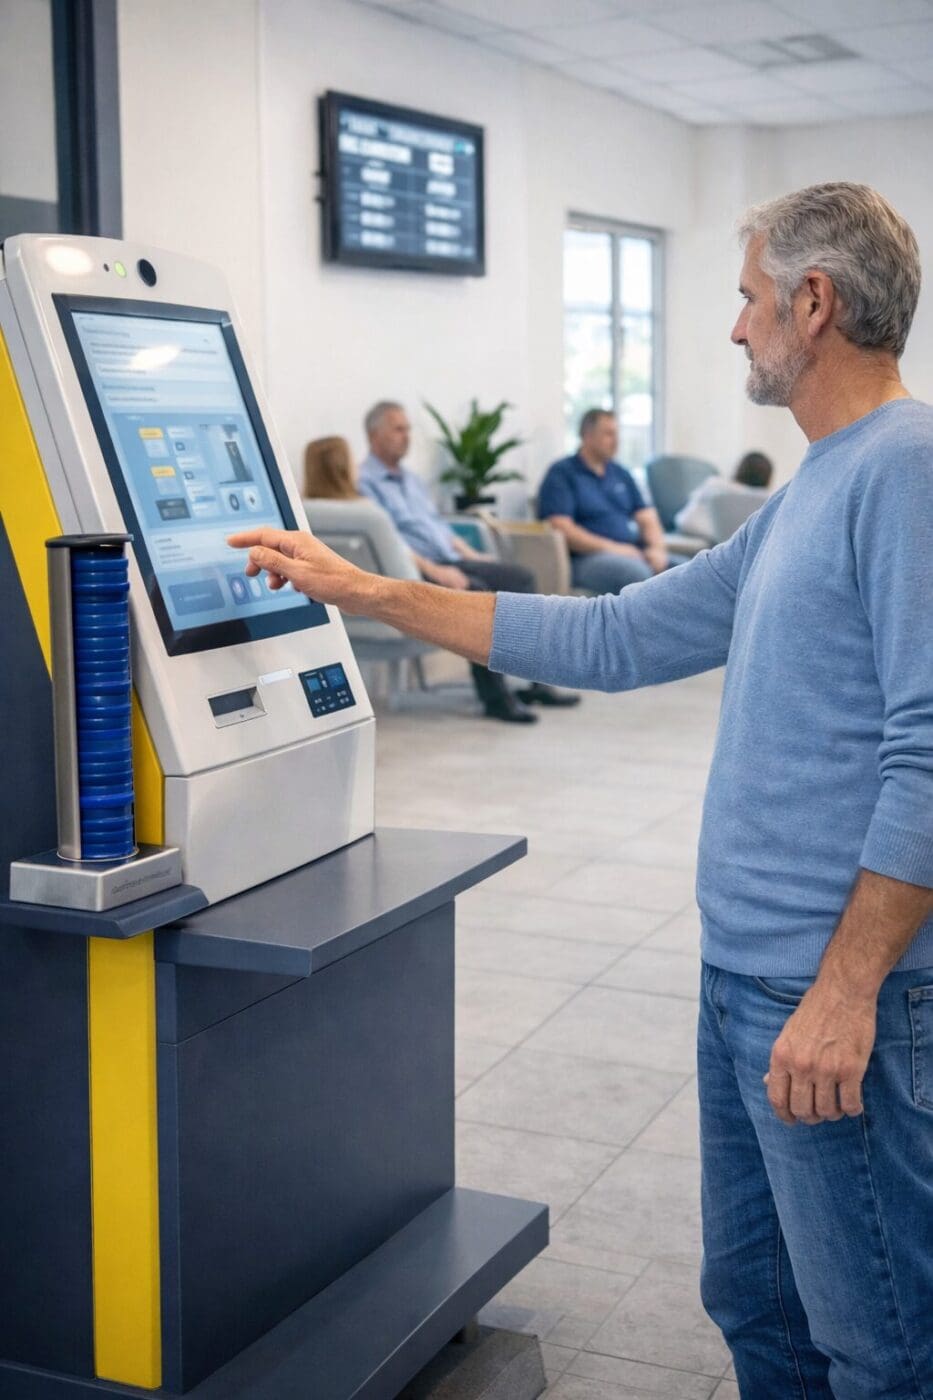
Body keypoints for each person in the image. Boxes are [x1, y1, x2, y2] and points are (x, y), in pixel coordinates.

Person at [230, 183, 933, 1396]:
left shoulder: (908, 473)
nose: (735, 327)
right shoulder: (810, 490)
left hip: (823, 992)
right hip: (746, 976)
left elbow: (931, 754)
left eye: (747, 298)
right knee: (758, 1308)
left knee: (877, 1344)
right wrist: (372, 592)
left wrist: (848, 988)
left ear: (813, 304)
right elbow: (613, 636)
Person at [358, 400, 578, 723]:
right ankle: (495, 697)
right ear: (374, 434)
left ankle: (536, 680)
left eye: (408, 428)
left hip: (449, 558)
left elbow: (440, 528)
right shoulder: (365, 483)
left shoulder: (412, 481)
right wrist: (436, 570)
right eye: (398, 429)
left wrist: (473, 556)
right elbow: (390, 543)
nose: (406, 436)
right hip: (418, 568)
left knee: (520, 579)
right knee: (478, 593)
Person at [537, 409, 685, 594]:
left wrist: (657, 549)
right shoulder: (562, 473)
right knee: (639, 574)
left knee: (687, 572)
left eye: (617, 434)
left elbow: (647, 518)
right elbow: (561, 527)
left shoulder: (620, 473)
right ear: (587, 436)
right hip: (586, 559)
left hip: (631, 551)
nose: (616, 441)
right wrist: (615, 549)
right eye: (608, 434)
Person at [674, 450, 774, 542]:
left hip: (691, 531)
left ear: (739, 469)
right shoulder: (767, 499)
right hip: (705, 538)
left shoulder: (715, 485)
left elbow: (685, 519)